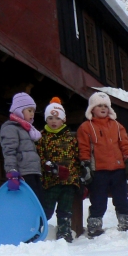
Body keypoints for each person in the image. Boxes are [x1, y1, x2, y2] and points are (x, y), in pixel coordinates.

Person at [77, 92, 128, 238]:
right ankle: (95, 223)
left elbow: (125, 144)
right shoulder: (86, 127)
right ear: (92, 109)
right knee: (98, 198)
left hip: (118, 169)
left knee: (121, 197)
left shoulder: (117, 125)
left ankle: (125, 220)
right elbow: (84, 147)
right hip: (99, 170)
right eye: (99, 106)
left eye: (105, 106)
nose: (103, 108)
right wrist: (86, 164)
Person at [36, 97, 86, 242]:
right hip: (50, 181)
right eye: (50, 118)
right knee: (47, 208)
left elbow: (77, 160)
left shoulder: (70, 139)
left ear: (63, 120)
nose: (53, 121)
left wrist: (79, 179)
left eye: (56, 118)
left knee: (65, 209)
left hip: (69, 182)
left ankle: (64, 231)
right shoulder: (42, 138)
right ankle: (36, 229)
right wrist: (49, 166)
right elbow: (39, 157)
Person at [0, 92, 44, 202]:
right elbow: (9, 151)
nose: (32, 114)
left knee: (39, 203)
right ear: (19, 110)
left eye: (33, 111)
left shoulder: (27, 130)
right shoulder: (11, 128)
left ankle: (37, 220)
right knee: (29, 202)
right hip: (23, 174)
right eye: (29, 110)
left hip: (34, 171)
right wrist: (12, 172)